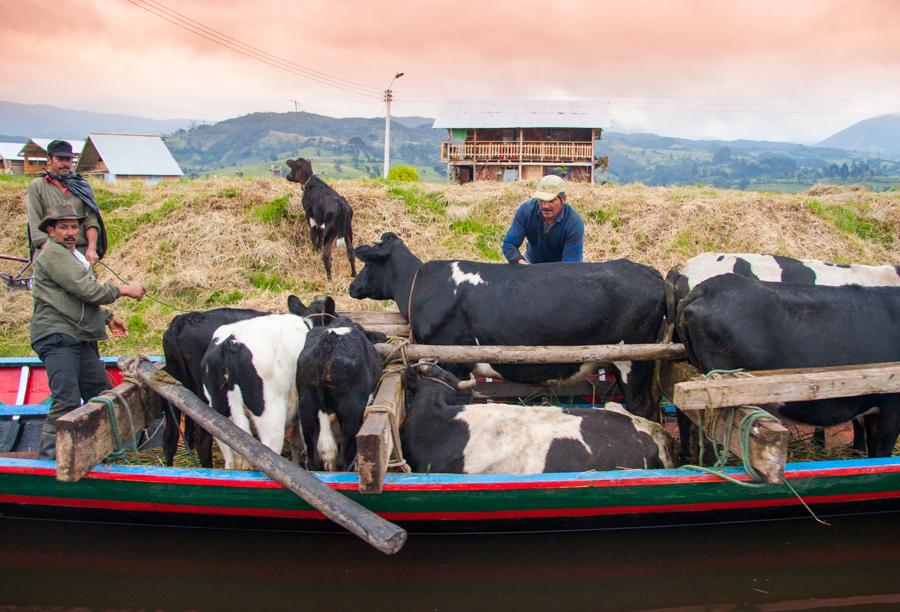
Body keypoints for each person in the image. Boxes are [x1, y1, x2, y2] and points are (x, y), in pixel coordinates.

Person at [30, 204, 145, 460]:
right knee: (66, 399)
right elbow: (89, 291)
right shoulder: (54, 254)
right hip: (57, 336)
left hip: (77, 336)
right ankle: (49, 460)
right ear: (51, 231)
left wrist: (108, 317)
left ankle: (104, 451)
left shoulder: (73, 257)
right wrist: (124, 289)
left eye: (74, 226)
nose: (70, 232)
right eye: (63, 227)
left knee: (100, 393)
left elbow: (73, 300)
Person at [25, 139, 108, 265]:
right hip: (47, 248)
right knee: (47, 281)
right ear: (50, 160)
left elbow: (91, 220)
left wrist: (91, 248)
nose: (65, 163)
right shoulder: (37, 186)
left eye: (68, 159)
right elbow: (35, 223)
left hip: (79, 248)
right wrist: (54, 253)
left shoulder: (81, 186)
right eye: (60, 159)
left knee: (87, 282)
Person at [501, 174, 584, 264]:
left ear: (563, 199)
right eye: (541, 200)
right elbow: (509, 244)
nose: (545, 206)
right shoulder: (526, 211)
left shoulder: (574, 223)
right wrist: (520, 263)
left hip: (560, 267)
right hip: (531, 263)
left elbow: (571, 263)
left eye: (551, 200)